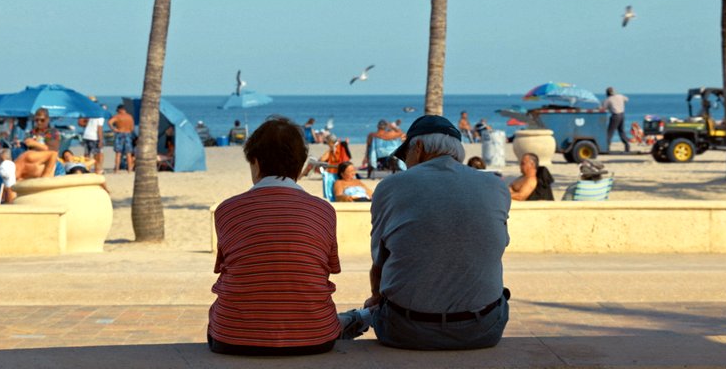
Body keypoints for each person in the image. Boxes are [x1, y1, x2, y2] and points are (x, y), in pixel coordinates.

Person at [358, 115, 511, 350]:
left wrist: (375, 298)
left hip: (406, 331)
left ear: (418, 147)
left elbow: (379, 261)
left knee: (377, 304)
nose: (406, 163)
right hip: (481, 331)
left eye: (405, 155)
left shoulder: (390, 187)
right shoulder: (496, 186)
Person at [208, 116, 342, 356]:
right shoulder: (323, 211)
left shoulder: (227, 210)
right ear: (300, 165)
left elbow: (226, 267)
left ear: (256, 162)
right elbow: (327, 269)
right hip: (315, 335)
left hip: (233, 336)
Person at [602, 87, 630, 152]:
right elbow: (627, 99)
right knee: (621, 131)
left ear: (607, 93)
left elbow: (603, 108)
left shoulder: (608, 100)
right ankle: (627, 145)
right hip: (622, 115)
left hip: (615, 116)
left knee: (610, 132)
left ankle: (606, 147)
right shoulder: (620, 96)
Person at [108, 105, 135, 171]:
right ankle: (129, 169)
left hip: (120, 134)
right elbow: (132, 128)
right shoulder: (130, 117)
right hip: (128, 134)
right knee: (128, 153)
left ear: (120, 110)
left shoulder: (117, 116)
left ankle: (117, 169)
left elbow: (109, 122)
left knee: (118, 153)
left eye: (117, 110)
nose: (117, 112)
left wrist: (114, 129)